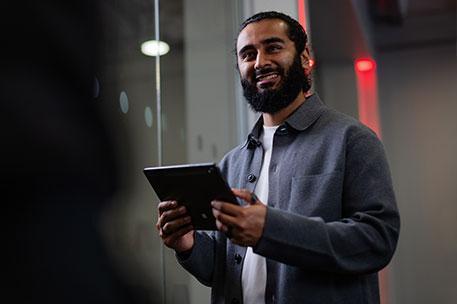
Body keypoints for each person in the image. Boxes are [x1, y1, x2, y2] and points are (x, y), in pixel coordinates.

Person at [156, 11, 400, 304]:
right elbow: (224, 270)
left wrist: (270, 230)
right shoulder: (230, 164)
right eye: (248, 54)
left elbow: (376, 241)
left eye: (273, 47)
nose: (260, 62)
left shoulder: (352, 140)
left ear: (304, 56)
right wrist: (188, 244)